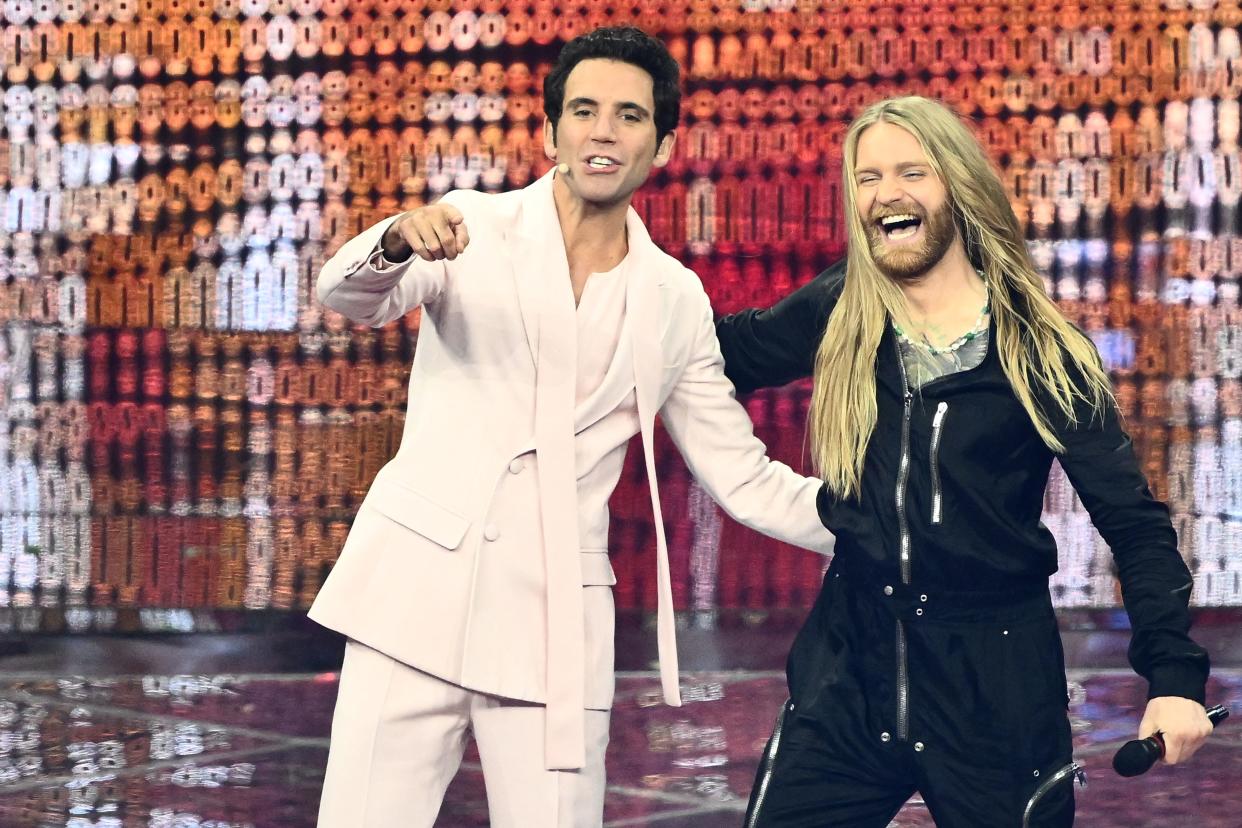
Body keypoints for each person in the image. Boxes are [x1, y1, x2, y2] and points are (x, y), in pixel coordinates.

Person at [308, 27, 833, 828]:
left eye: (629, 116)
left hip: (553, 620)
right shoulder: (468, 225)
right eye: (583, 111)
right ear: (550, 131)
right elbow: (347, 298)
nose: (602, 131)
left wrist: (884, 520)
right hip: (410, 595)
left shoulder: (673, 298)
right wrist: (390, 240)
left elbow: (743, 475)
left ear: (660, 145)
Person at [714, 96, 1214, 827]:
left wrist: (1173, 678)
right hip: (848, 678)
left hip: (996, 698)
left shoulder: (1041, 351)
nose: (886, 193)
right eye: (867, 177)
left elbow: (1133, 526)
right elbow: (712, 355)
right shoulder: (842, 307)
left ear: (958, 184)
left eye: (911, 171)